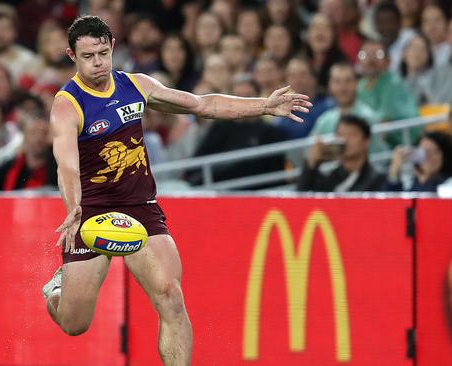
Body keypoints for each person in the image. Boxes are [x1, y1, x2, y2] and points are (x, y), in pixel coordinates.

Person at [43, 15, 311, 365]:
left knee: (171, 296)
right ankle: (57, 291)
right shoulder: (67, 104)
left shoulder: (136, 85)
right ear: (71, 56)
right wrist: (73, 206)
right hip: (90, 212)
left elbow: (202, 104)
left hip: (140, 205)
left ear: (113, 48)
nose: (98, 64)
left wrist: (264, 105)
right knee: (74, 323)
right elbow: (66, 165)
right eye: (88, 56)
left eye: (103, 54)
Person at [297, 115, 386, 192]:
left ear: (367, 140)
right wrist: (312, 164)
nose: (345, 140)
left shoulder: (378, 178)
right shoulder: (331, 177)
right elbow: (302, 198)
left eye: (352, 134)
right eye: (340, 135)